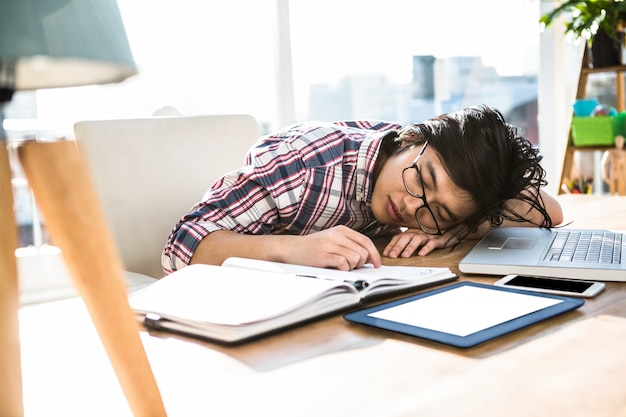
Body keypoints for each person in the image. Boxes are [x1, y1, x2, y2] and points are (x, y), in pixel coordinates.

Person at [162, 104, 563, 275]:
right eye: (422, 180)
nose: (410, 207)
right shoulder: (306, 164)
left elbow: (548, 210)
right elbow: (180, 248)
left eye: (435, 210)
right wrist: (294, 248)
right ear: (414, 137)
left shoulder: (424, 178)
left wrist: (458, 226)